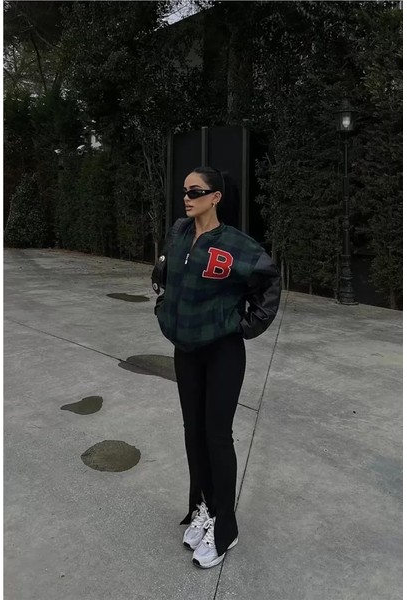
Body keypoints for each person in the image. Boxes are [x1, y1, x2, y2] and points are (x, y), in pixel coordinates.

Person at [152, 166, 281, 569]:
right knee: (193, 433)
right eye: (184, 190)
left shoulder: (237, 245)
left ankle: (226, 528)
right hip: (186, 350)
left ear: (215, 197)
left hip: (223, 353)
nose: (186, 197)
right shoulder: (178, 232)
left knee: (217, 437)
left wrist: (244, 326)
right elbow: (166, 275)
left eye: (195, 191)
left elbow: (269, 283)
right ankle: (204, 508)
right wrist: (163, 307)